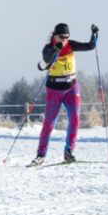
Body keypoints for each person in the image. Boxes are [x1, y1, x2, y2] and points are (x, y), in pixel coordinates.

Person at [29, 22, 98, 166]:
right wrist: (56, 49)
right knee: (49, 123)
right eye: (62, 37)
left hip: (71, 88)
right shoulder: (48, 48)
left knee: (75, 118)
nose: (65, 40)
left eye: (67, 37)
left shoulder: (71, 45)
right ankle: (40, 155)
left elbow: (90, 46)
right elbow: (47, 58)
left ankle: (69, 151)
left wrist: (95, 34)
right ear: (55, 36)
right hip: (54, 89)